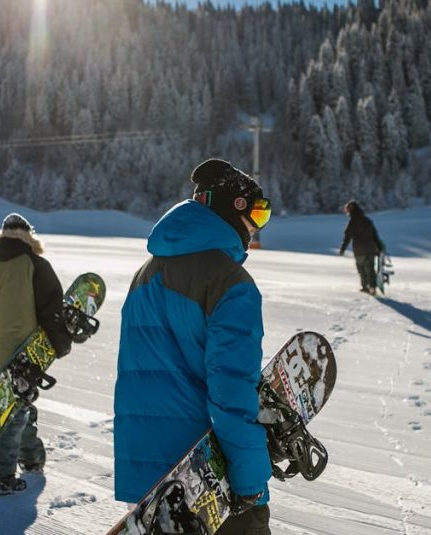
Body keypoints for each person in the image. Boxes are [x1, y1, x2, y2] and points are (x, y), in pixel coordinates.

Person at [115, 158, 273, 533]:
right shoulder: (231, 283)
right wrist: (250, 480)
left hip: (148, 474)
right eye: (258, 213)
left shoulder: (145, 273)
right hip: (206, 480)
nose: (257, 227)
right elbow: (231, 391)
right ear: (233, 208)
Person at [0, 213, 76, 496]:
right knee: (14, 413)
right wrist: (61, 343)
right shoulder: (35, 265)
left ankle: (32, 459)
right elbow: (52, 312)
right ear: (29, 237)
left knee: (19, 404)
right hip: (24, 354)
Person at [338, 200, 385, 295]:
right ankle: (372, 287)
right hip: (371, 249)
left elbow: (347, 237)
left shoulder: (352, 222)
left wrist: (342, 249)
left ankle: (365, 287)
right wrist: (379, 248)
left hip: (359, 250)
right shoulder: (368, 221)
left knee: (362, 269)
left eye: (347, 210)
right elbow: (375, 236)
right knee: (370, 269)